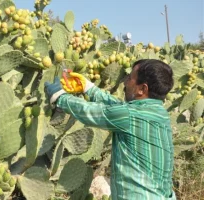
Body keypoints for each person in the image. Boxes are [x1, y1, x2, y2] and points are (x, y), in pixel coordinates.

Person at [44, 59, 176, 200]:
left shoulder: (130, 116)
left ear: (142, 89)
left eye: (130, 78)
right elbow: (119, 108)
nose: (125, 82)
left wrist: (60, 97)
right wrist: (88, 88)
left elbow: (91, 112)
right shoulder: (159, 113)